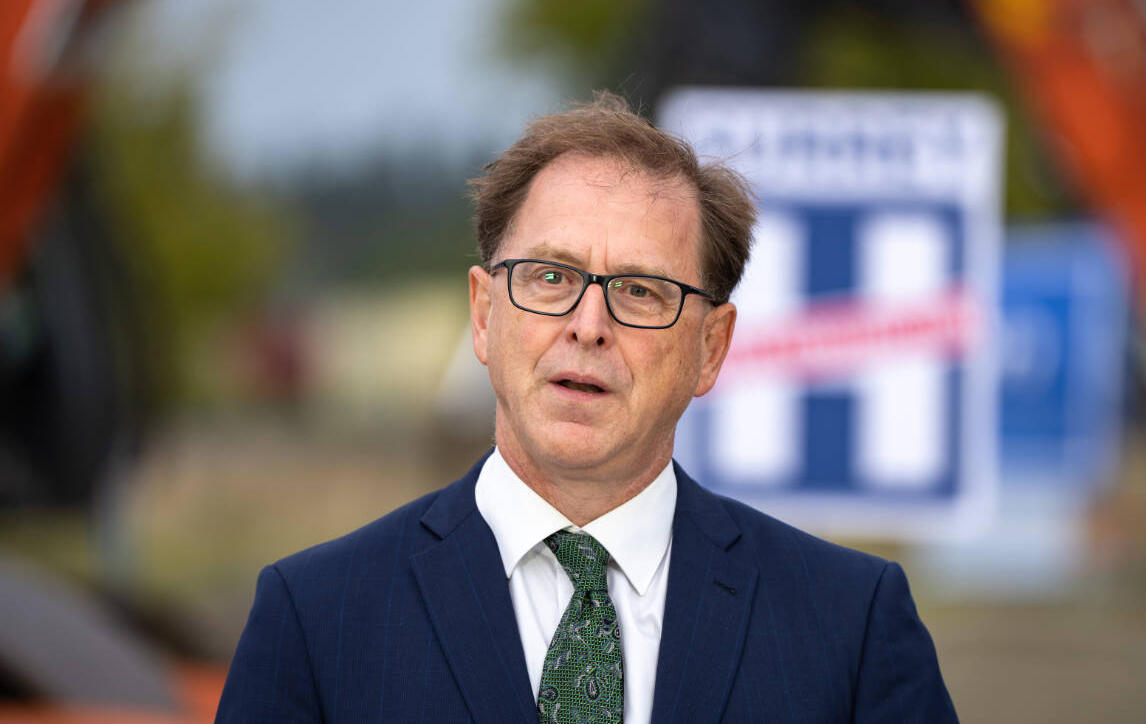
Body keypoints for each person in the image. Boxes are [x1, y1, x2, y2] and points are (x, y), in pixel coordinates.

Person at [215, 92, 958, 723]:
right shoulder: (316, 618)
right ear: (483, 313)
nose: (588, 324)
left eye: (640, 290)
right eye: (549, 276)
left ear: (710, 348)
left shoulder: (849, 625)